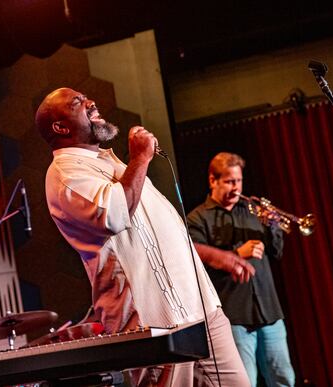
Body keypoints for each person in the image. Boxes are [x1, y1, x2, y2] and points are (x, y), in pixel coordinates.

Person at [35, 87, 249, 386]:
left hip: (200, 309)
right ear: (60, 126)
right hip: (155, 322)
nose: (91, 102)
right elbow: (116, 212)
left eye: (86, 97)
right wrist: (140, 157)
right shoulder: (65, 173)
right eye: (78, 103)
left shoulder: (109, 163)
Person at [187, 152, 295, 386]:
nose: (236, 188)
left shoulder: (252, 211)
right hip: (235, 317)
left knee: (284, 379)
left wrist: (273, 226)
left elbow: (276, 252)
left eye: (239, 181)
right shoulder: (197, 219)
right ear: (213, 180)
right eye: (229, 181)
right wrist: (238, 254)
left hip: (269, 311)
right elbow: (196, 269)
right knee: (245, 382)